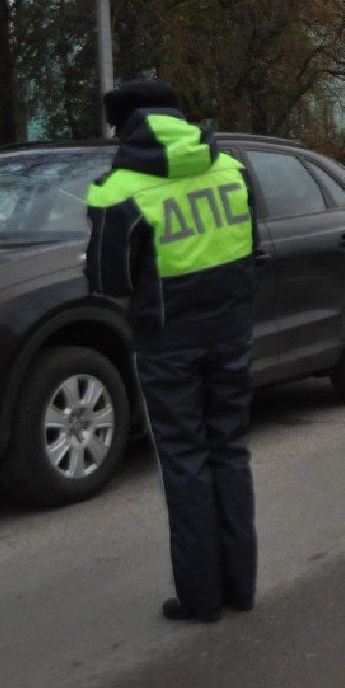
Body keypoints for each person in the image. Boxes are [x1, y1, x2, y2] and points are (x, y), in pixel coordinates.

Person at [85, 79, 257, 624]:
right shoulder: (230, 168)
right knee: (230, 453)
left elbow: (107, 281)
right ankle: (240, 588)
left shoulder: (118, 190)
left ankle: (201, 598)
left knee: (184, 463)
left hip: (167, 342)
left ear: (123, 127)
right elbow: (249, 248)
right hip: (231, 332)